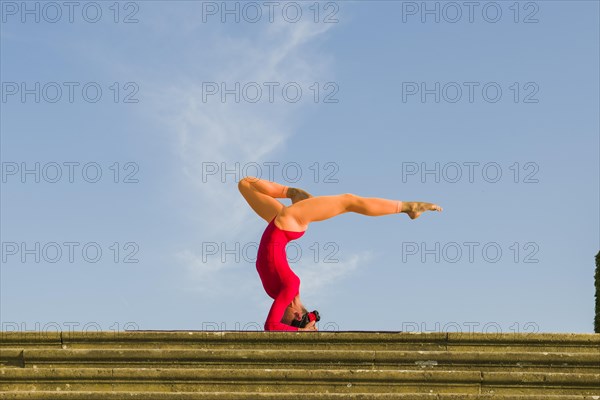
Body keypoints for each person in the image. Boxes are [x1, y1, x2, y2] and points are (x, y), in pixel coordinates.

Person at [238, 176, 442, 331]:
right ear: (297, 313)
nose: (282, 312)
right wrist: (301, 329)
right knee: (348, 201)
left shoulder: (281, 290)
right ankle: (408, 207)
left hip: (280, 224)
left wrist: (297, 331)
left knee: (245, 184)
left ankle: (292, 192)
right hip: (287, 223)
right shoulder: (289, 286)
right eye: (288, 316)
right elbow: (273, 325)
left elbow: (271, 326)